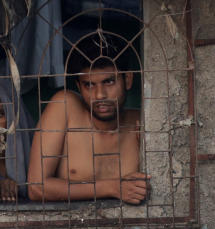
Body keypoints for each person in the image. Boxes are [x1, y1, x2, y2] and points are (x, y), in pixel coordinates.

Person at [27, 33, 149, 204]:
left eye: (109, 82)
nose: (99, 95)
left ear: (127, 80)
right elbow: (36, 187)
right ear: (79, 86)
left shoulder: (143, 123)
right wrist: (113, 188)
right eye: (89, 85)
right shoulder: (65, 107)